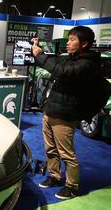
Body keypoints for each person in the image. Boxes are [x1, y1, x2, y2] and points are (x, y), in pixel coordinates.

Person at [31, 26, 102, 200]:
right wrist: (40, 53)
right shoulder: (70, 58)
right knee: (50, 149)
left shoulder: (86, 64)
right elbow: (55, 63)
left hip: (65, 114)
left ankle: (71, 186)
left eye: (72, 40)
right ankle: (54, 176)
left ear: (84, 44)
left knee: (66, 153)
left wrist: (39, 56)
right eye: (68, 39)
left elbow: (61, 72)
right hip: (51, 110)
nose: (67, 43)